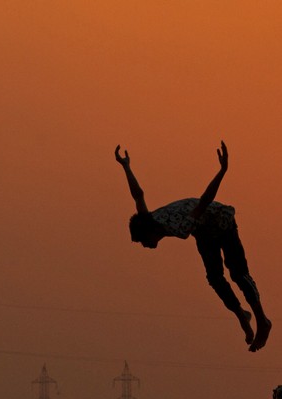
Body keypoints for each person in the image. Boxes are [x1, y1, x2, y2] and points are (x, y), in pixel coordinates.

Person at [115, 141, 272, 352]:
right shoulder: (147, 217)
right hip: (204, 233)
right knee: (215, 278)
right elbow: (138, 194)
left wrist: (222, 171)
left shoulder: (178, 227)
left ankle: (262, 320)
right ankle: (242, 317)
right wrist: (126, 167)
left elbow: (205, 201)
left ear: (150, 233)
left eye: (144, 241)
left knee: (237, 273)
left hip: (221, 222)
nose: (145, 246)